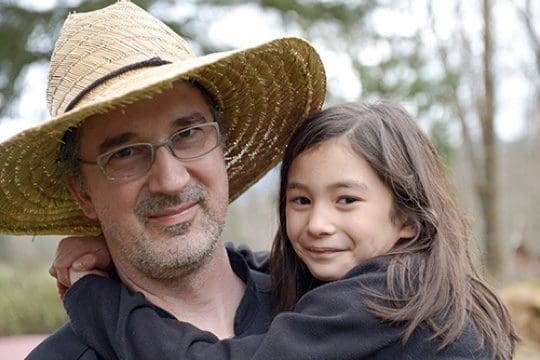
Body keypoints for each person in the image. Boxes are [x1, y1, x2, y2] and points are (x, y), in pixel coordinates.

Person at [54, 101, 517, 359]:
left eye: (347, 200)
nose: (317, 224)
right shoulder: (408, 287)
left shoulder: (385, 297)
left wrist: (93, 294)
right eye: (300, 200)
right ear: (84, 193)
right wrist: (120, 253)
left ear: (409, 219)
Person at [0, 1, 326, 359]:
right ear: (83, 193)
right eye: (124, 153)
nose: (170, 180)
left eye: (188, 134)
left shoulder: (334, 307)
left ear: (223, 147)